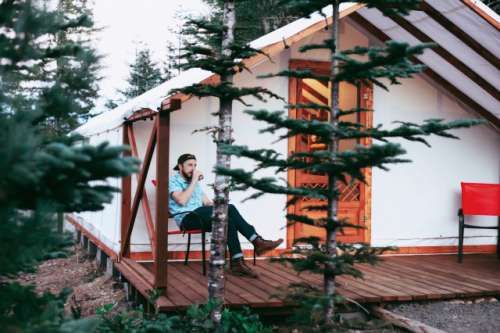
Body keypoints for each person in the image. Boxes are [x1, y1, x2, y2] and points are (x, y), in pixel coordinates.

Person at [169, 153, 283, 278]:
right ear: (180, 166)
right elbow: (182, 200)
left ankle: (238, 261)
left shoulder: (194, 183)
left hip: (201, 215)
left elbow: (206, 202)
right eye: (190, 165)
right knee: (227, 211)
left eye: (195, 165)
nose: (193, 168)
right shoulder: (173, 181)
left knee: (228, 214)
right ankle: (256, 242)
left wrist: (219, 204)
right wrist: (195, 180)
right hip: (187, 218)